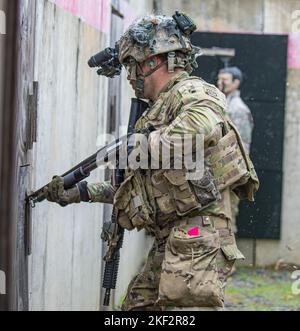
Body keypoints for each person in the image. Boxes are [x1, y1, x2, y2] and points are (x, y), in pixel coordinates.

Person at [44, 13, 259, 311]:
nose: (130, 76)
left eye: (132, 65)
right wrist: (82, 192)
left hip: (197, 240)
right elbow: (142, 189)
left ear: (152, 62)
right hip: (175, 240)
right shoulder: (157, 111)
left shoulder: (193, 92)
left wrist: (137, 144)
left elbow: (201, 127)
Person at [217, 67, 254, 233]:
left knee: (227, 215)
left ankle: (227, 256)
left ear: (236, 83)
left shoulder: (239, 110)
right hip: (216, 170)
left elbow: (243, 145)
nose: (220, 83)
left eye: (225, 80)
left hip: (230, 172)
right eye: (219, 79)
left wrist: (234, 175)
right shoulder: (219, 103)